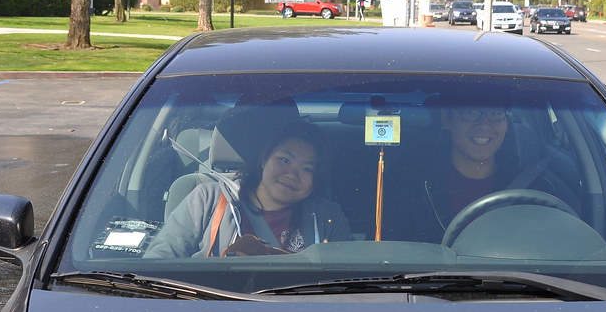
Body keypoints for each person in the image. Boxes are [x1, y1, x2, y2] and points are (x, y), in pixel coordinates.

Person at [146, 120, 352, 257]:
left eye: (307, 168)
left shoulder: (328, 217)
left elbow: (346, 276)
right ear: (264, 160)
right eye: (284, 159)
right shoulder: (206, 199)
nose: (292, 174)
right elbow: (159, 261)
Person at [384, 96, 522, 243]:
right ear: (447, 119)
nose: (483, 125)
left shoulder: (532, 186)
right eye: (471, 113)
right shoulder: (409, 182)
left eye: (495, 114)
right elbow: (384, 249)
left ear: (506, 124)